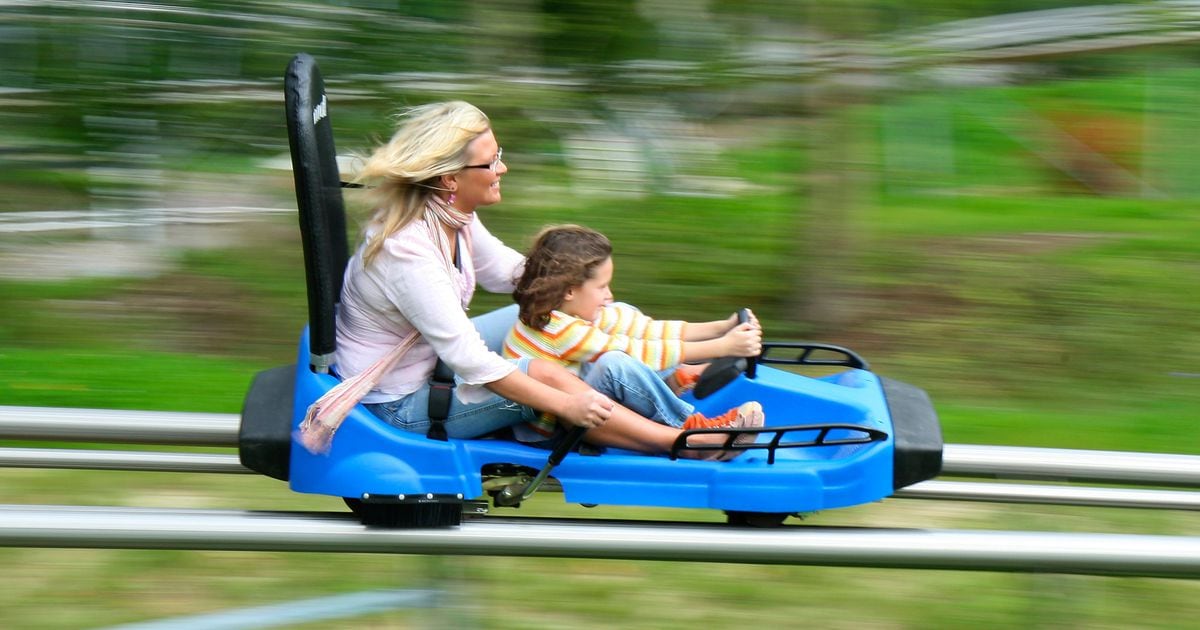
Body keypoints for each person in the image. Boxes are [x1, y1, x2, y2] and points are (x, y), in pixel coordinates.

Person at [334, 100, 757, 459]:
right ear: (450, 179)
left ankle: (655, 374)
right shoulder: (407, 253)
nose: (503, 167)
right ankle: (687, 440)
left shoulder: (450, 217)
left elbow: (515, 275)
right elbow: (473, 363)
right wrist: (568, 403)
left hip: (429, 360)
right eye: (492, 160)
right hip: (397, 405)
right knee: (547, 375)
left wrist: (585, 291)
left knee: (579, 313)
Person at [503, 224, 764, 440]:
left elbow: (645, 329)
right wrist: (721, 347)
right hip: (554, 429)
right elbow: (633, 353)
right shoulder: (559, 329)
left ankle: (676, 375)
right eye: (602, 286)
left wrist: (721, 328)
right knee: (615, 363)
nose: (609, 294)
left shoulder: (565, 310)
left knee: (622, 312)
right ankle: (692, 428)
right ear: (569, 290)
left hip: (576, 402)